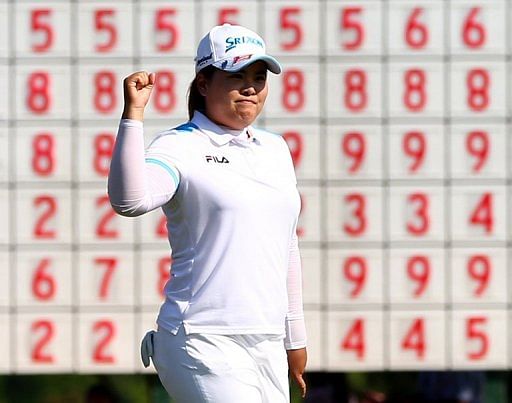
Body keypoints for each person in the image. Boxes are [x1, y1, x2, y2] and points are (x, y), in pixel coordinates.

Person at [107, 24, 307, 402]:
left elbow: (287, 247)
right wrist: (133, 115)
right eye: (236, 76)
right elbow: (129, 200)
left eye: (259, 77)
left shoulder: (275, 149)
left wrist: (294, 338)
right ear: (203, 83)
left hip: (265, 339)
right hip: (200, 337)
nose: (251, 87)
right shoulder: (179, 144)